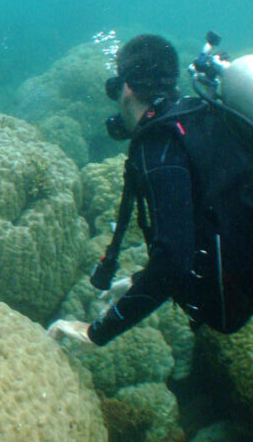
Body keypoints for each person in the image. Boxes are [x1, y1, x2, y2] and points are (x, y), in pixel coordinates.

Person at [48, 34, 253, 346]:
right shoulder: (200, 116)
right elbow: (208, 220)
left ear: (126, 89)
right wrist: (139, 280)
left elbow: (173, 261)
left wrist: (94, 333)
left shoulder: (158, 143)